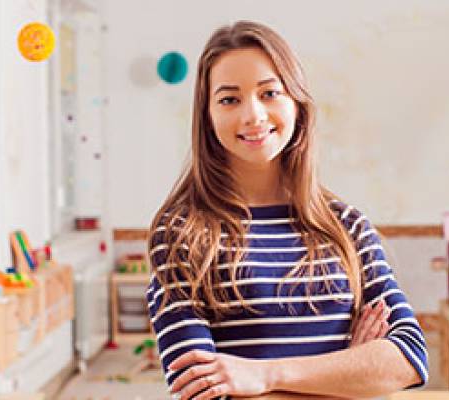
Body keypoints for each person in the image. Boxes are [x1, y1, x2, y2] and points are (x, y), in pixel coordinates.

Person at [146, 20, 428, 400]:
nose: (253, 115)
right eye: (229, 99)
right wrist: (348, 374)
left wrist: (265, 376)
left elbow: (409, 359)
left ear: (296, 102)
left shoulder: (347, 226)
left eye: (269, 93)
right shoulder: (181, 235)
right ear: (208, 117)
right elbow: (203, 392)